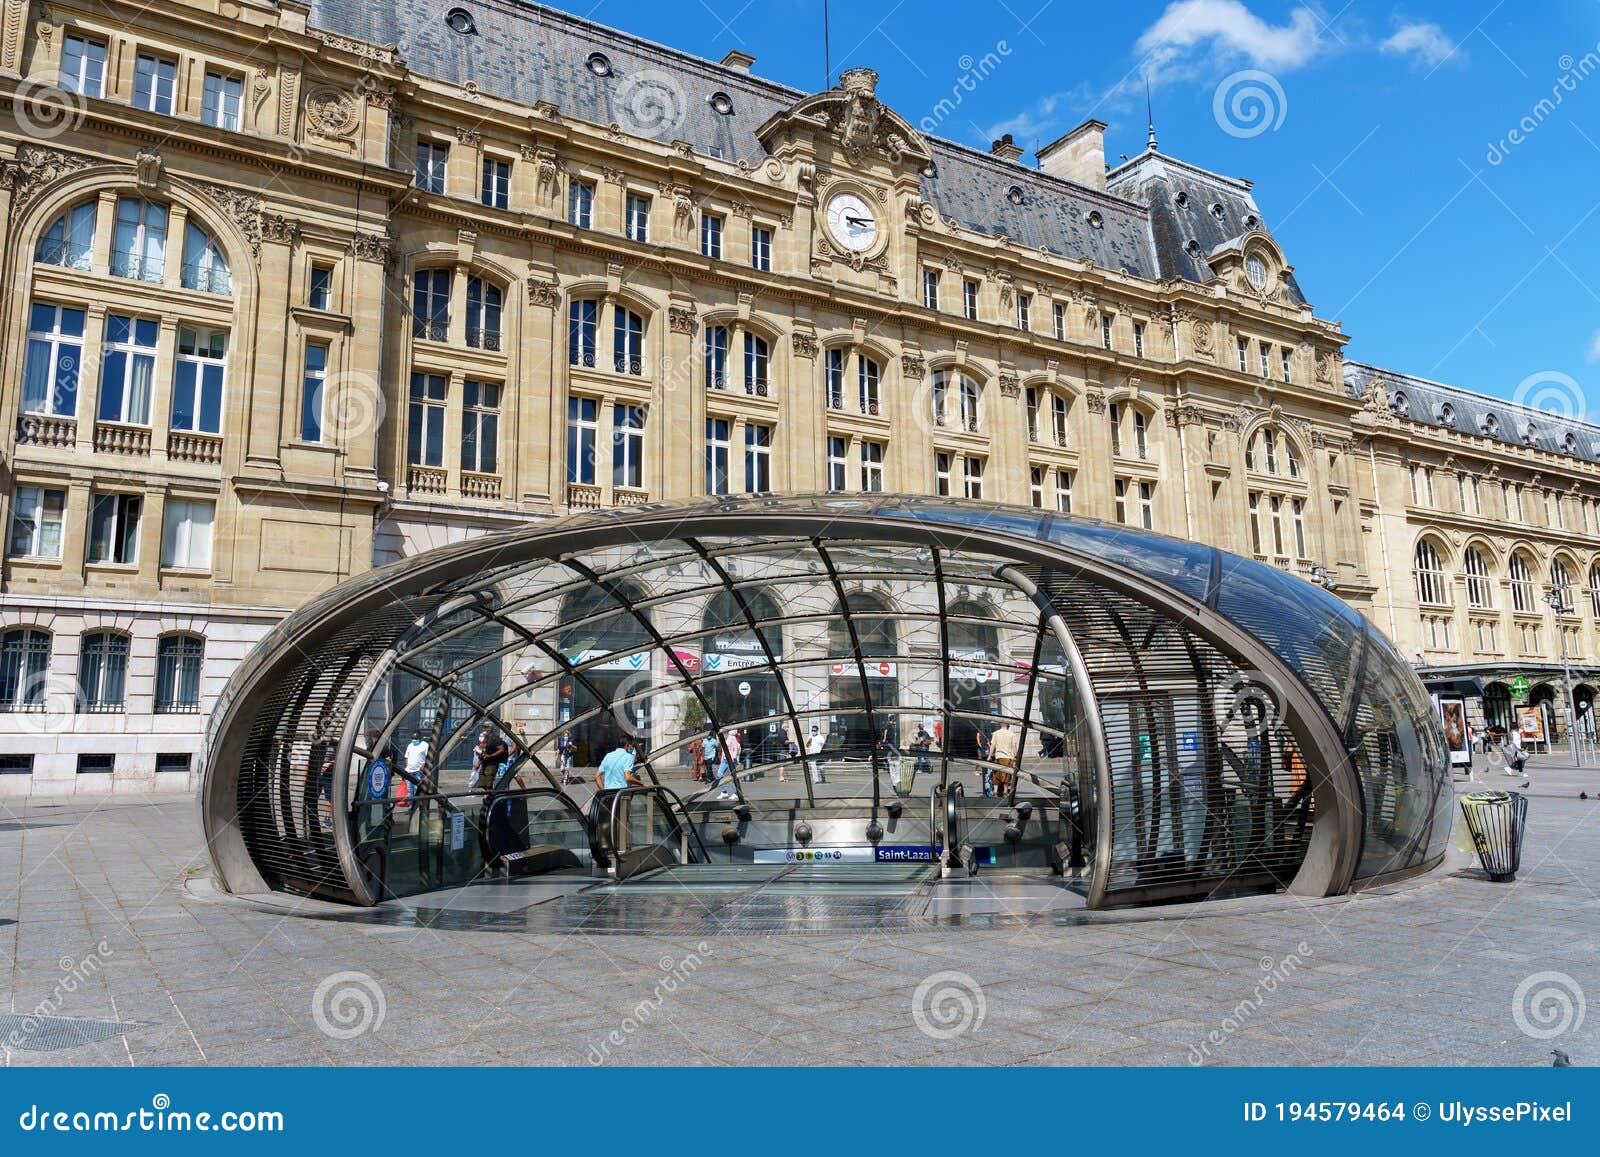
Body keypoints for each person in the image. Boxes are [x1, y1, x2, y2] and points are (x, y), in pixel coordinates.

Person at [989, 722, 1019, 797]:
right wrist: (1016, 756)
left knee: (996, 774)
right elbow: (1014, 746)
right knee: (1007, 775)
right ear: (1008, 725)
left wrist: (989, 756)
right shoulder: (1011, 734)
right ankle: (1005, 792)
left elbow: (993, 745)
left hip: (998, 756)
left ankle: (995, 791)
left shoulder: (995, 733)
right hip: (1008, 757)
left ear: (1000, 725)